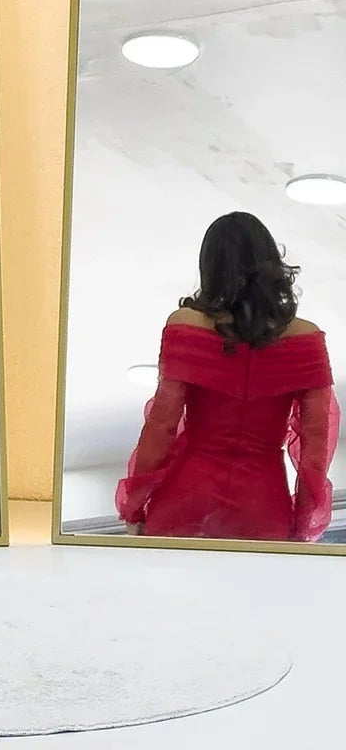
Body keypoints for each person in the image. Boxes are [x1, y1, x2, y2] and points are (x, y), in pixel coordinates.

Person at [116, 211, 340, 541]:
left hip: (186, 497)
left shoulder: (186, 324)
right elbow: (316, 446)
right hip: (262, 505)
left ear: (210, 266)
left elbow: (162, 425)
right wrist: (305, 521)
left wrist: (134, 505)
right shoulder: (306, 339)